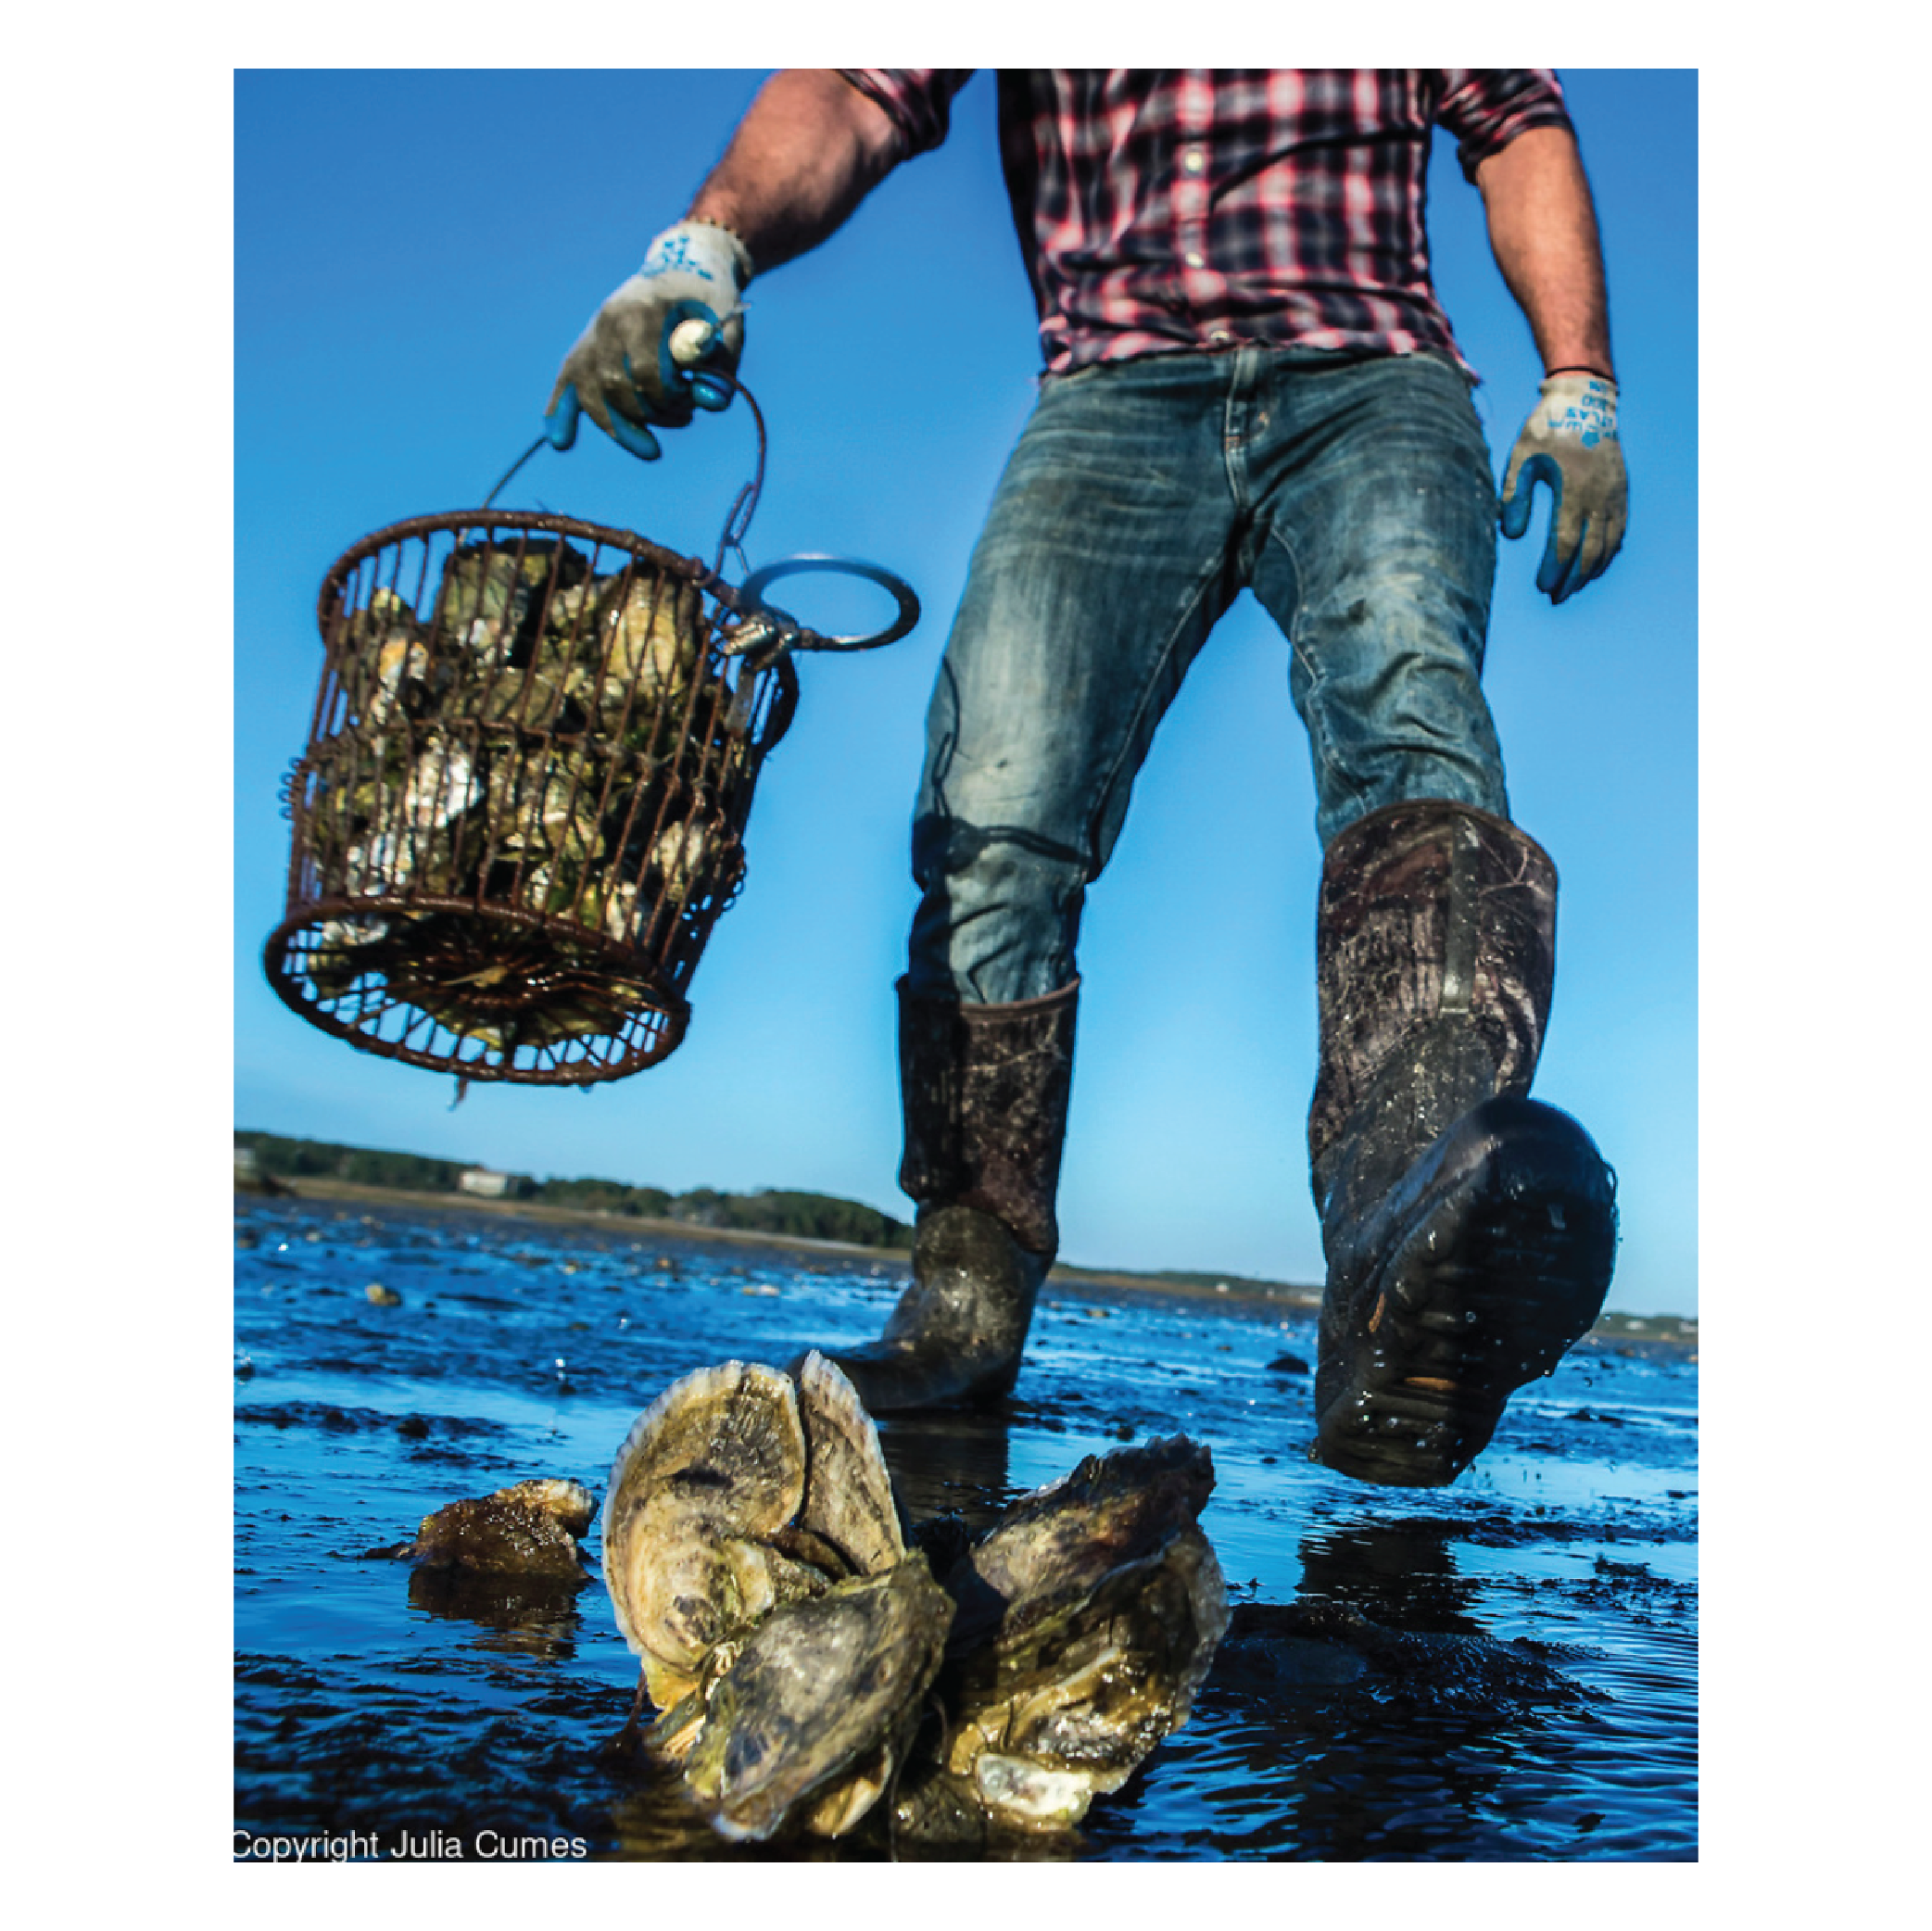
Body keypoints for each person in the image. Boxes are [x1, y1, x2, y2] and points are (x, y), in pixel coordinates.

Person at [545, 69, 1625, 1488]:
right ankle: (964, 1307)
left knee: (1412, 729)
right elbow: (857, 94)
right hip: (1114, 394)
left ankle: (1406, 1253)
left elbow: (1512, 121)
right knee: (994, 807)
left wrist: (1580, 380)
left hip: (1373, 383)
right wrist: (705, 245)